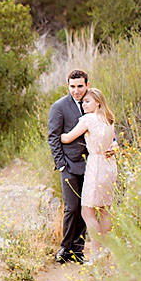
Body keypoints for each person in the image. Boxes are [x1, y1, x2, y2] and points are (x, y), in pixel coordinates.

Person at [61, 87, 118, 262]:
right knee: (105, 208)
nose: (83, 104)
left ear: (98, 102)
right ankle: (106, 248)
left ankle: (96, 253)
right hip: (110, 165)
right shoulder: (109, 119)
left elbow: (68, 137)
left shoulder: (88, 119)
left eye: (87, 101)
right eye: (83, 102)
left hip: (96, 165)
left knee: (87, 211)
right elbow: (114, 142)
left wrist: (58, 135)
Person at [48, 70, 91, 264]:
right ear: (67, 85)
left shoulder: (93, 103)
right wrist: (61, 165)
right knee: (71, 208)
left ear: (86, 85)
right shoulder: (59, 107)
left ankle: (78, 251)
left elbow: (105, 123)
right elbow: (53, 137)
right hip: (69, 165)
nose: (76, 90)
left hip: (91, 165)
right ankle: (65, 249)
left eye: (80, 86)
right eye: (72, 86)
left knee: (85, 208)